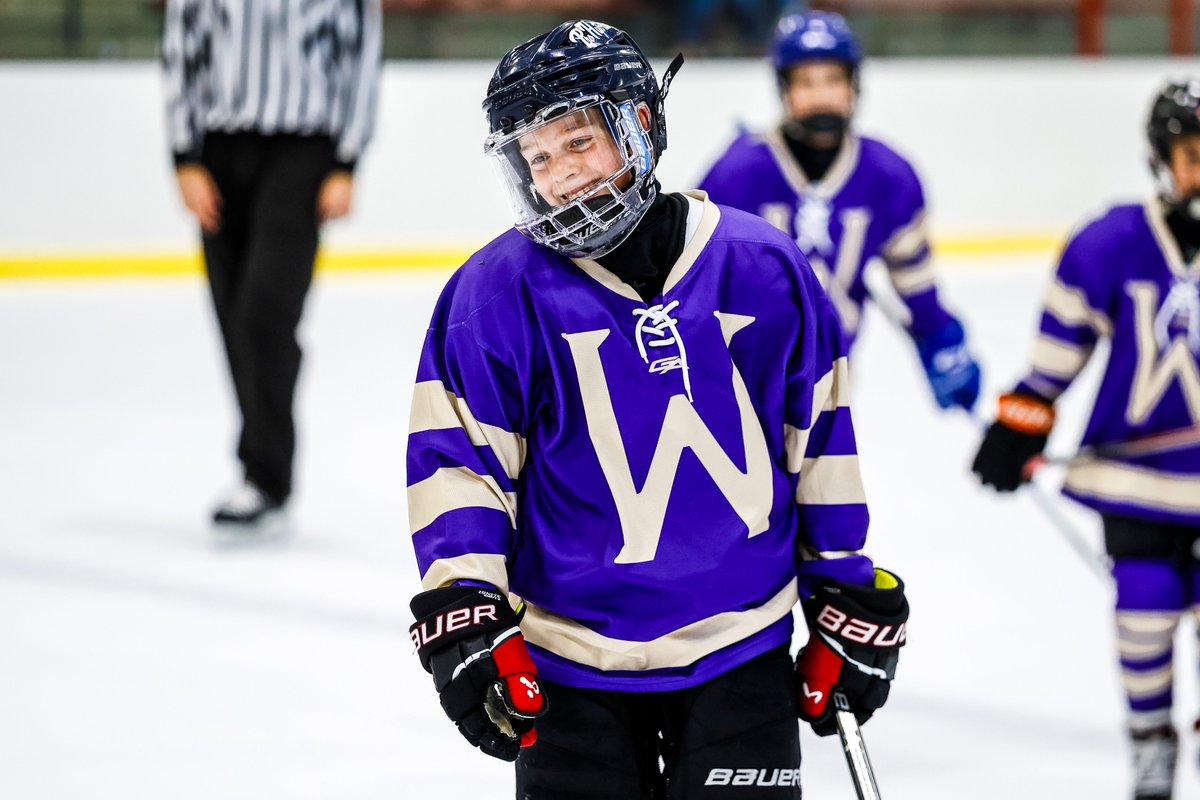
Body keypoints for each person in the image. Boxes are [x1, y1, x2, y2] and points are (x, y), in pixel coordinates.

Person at [405, 19, 908, 798]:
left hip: (740, 644)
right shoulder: (493, 295)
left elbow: (818, 440)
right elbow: (461, 465)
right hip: (566, 661)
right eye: (537, 158)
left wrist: (840, 586)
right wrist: (464, 604)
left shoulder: (762, 267)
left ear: (639, 123)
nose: (560, 177)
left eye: (578, 142)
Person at [972, 80, 1200, 800]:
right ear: (1162, 160)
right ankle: (1150, 740)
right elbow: (1054, 357)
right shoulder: (1113, 241)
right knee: (1144, 606)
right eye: (1194, 156)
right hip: (1136, 480)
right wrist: (1022, 420)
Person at [162, 0, 381, 539]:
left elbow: (361, 57)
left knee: (265, 315)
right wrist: (184, 157)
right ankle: (260, 471)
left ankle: (266, 476)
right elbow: (181, 53)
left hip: (303, 150)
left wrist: (347, 161)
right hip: (218, 150)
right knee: (234, 314)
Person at [698, 10, 980, 413]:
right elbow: (691, 281)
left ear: (854, 86)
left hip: (834, 382)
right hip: (737, 381)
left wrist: (940, 337)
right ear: (784, 88)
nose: (821, 97)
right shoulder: (737, 174)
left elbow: (914, 279)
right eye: (806, 82)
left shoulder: (889, 177)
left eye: (833, 80)